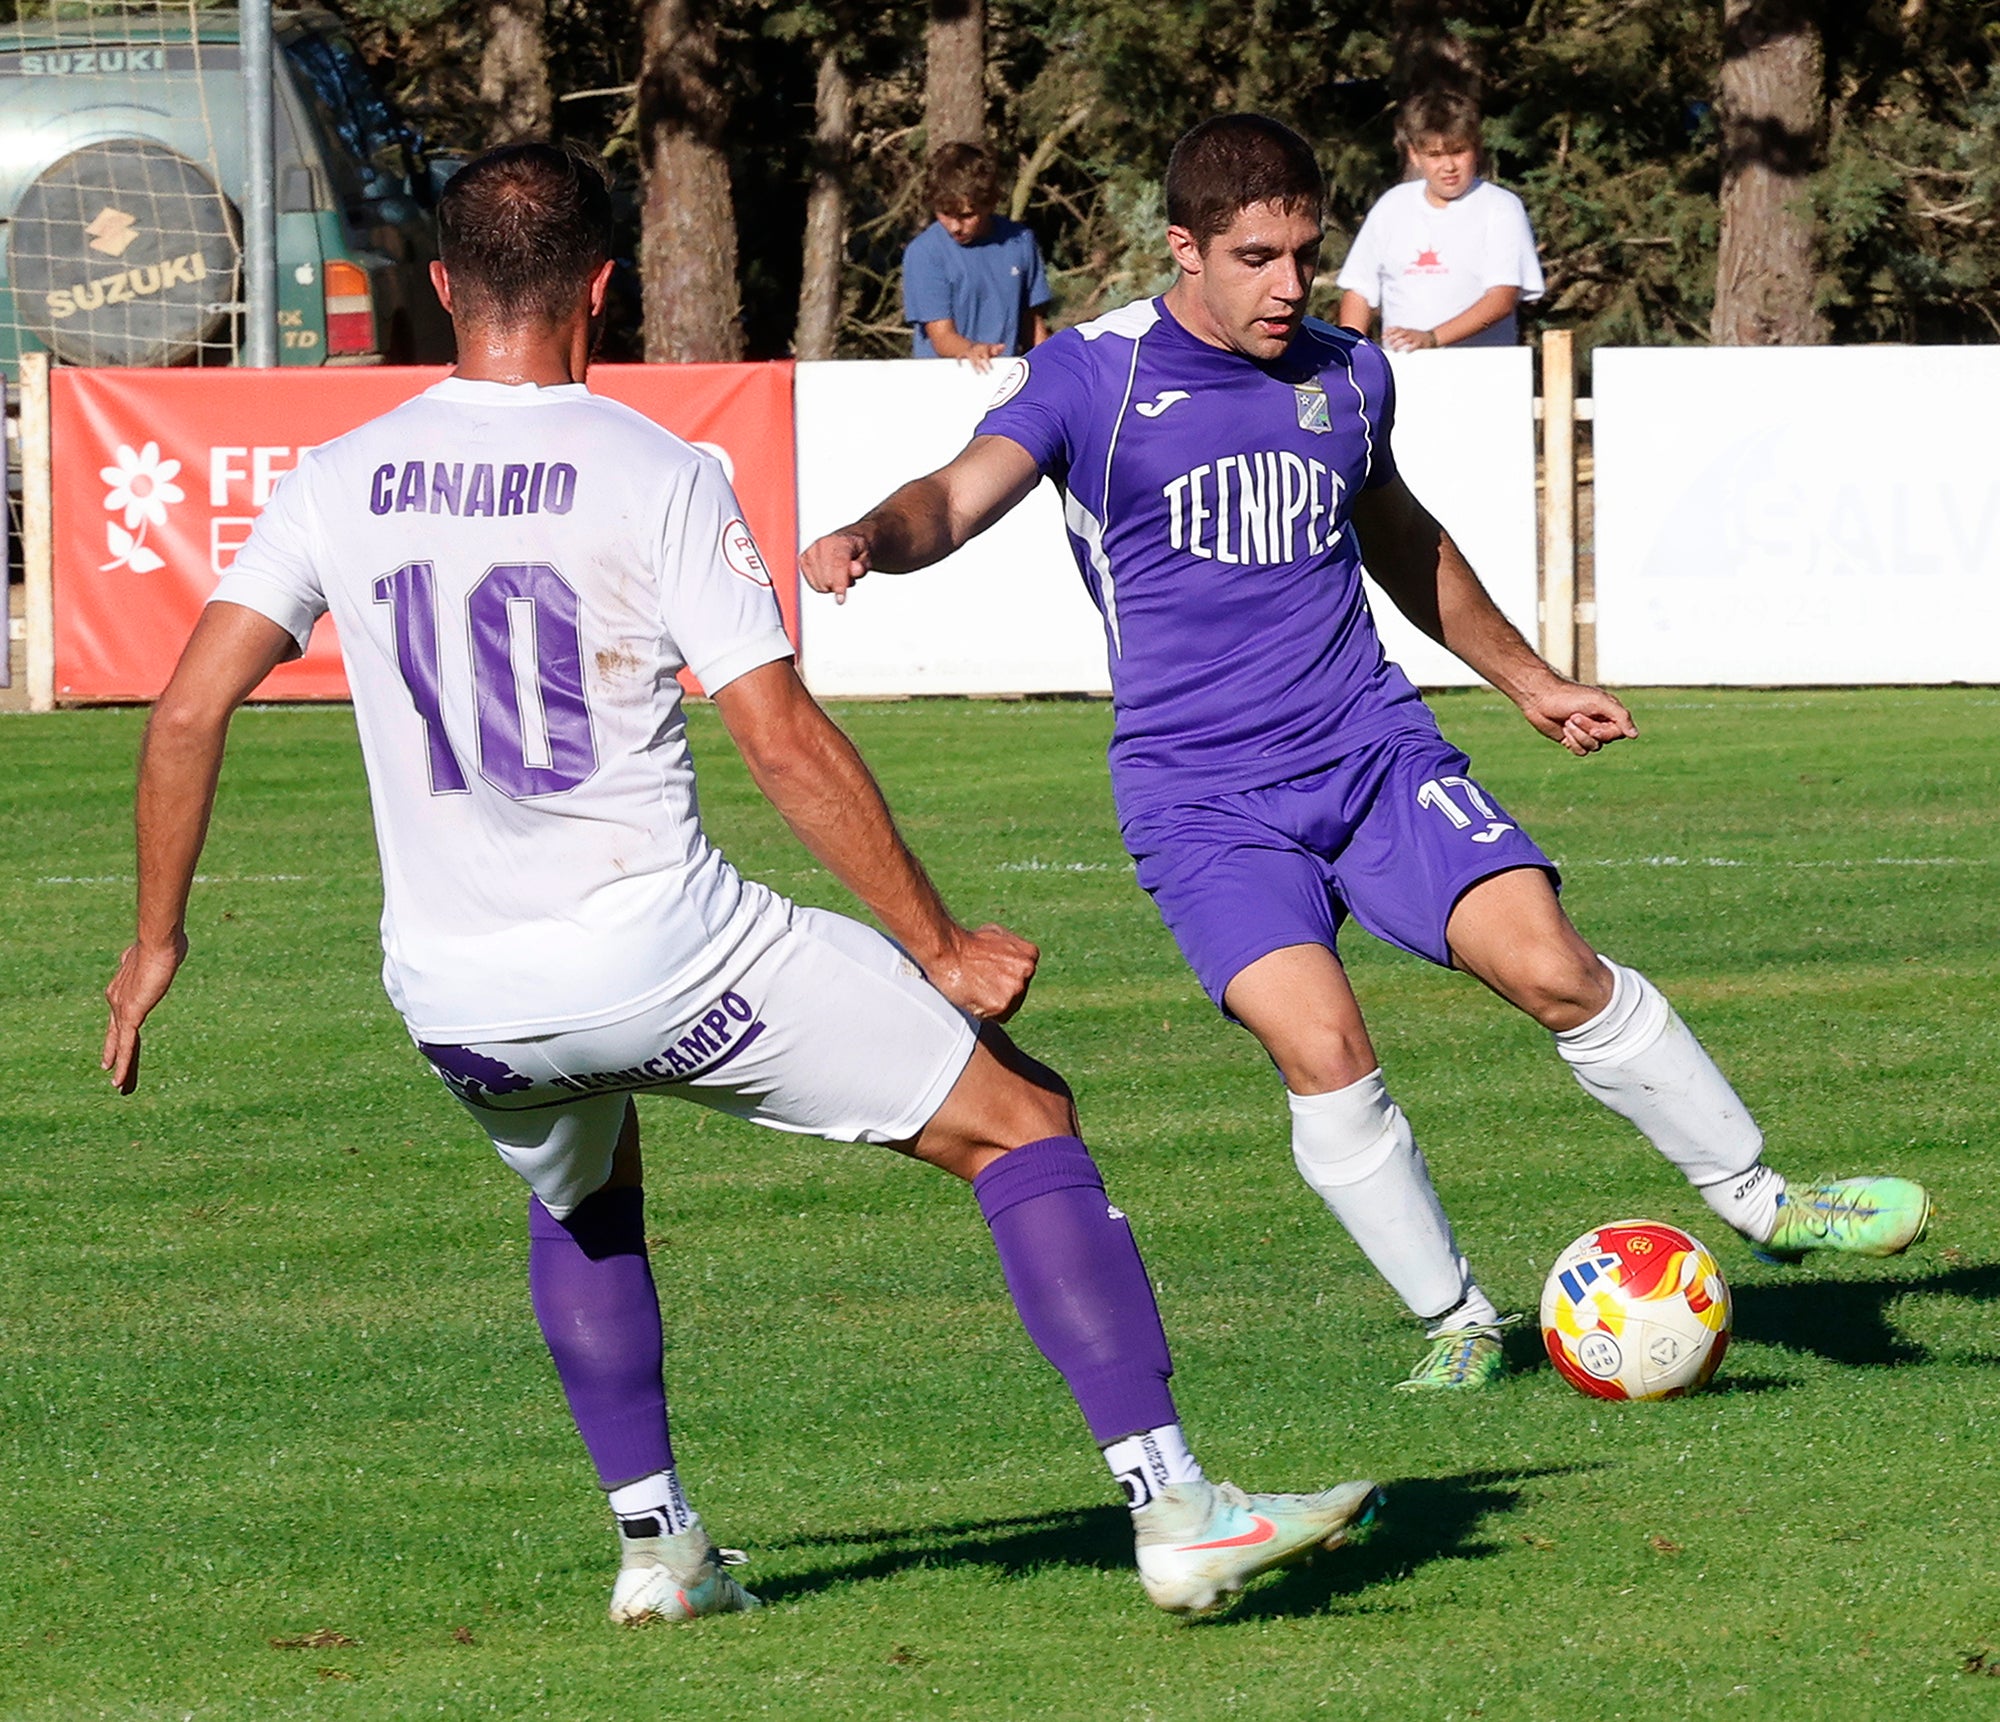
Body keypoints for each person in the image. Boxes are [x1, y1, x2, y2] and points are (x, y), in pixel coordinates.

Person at [98, 142, 1381, 1625]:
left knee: (583, 1195)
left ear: (443, 286)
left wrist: (153, 943)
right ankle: (1177, 1509)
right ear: (602, 287)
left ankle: (658, 1551)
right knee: (1023, 1118)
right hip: (667, 957)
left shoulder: (332, 478)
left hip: (461, 1002)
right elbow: (777, 734)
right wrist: (939, 942)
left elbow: (185, 712)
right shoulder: (655, 467)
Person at [801, 115, 1930, 1394]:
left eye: (1305, 253)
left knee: (1554, 967)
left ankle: (1765, 1201)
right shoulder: (1090, 378)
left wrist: (1529, 682)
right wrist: (871, 536)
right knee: (1323, 1051)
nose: (1289, 284)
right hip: (1199, 797)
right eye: (1255, 258)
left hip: (1370, 751)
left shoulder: (1347, 374)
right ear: (1183, 248)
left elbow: (1400, 539)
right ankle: (1457, 1320)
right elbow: (952, 496)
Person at [1335, 91, 1543, 352]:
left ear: (1476, 148)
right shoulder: (1392, 206)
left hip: (1483, 369)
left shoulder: (1501, 207)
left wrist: (1432, 338)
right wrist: (1351, 355)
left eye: (1458, 151)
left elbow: (1502, 299)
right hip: (1403, 368)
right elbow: (1359, 291)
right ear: (1414, 155)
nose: (1448, 166)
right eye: (1435, 155)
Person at [903, 142, 1052, 371]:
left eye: (966, 216)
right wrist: (972, 350)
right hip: (944, 381)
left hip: (1006, 379)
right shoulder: (925, 252)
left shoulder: (1021, 242)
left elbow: (1031, 324)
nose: (955, 227)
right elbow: (941, 336)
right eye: (945, 214)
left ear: (990, 203)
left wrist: (1051, 366)